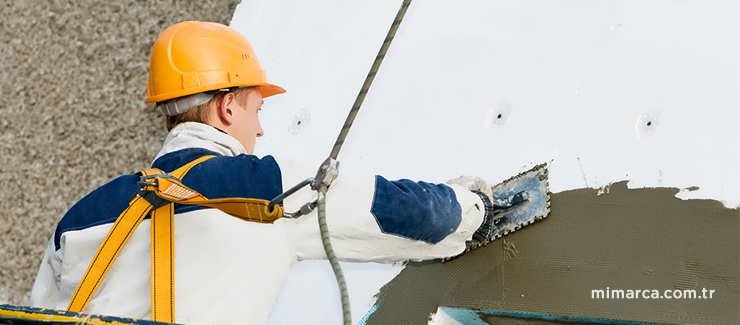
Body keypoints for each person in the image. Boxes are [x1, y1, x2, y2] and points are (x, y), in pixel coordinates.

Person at [28, 21, 497, 324]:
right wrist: (473, 206)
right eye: (256, 109)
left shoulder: (78, 220)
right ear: (228, 106)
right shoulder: (262, 190)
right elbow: (386, 212)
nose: (262, 129)